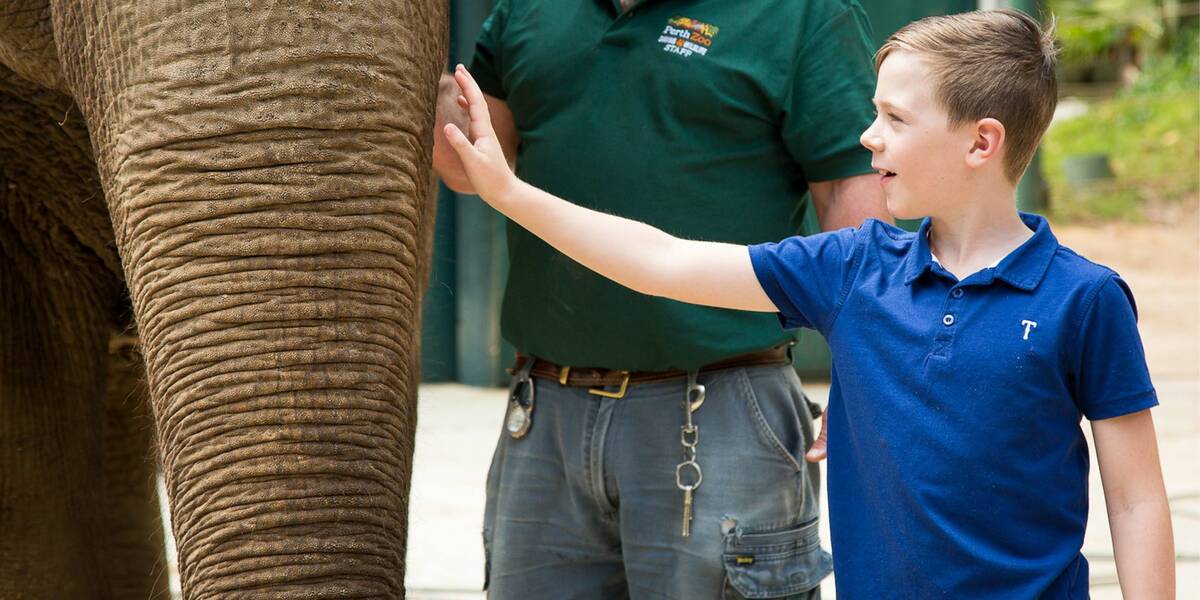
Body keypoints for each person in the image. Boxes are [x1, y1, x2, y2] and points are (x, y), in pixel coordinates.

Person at [441, 8, 1176, 599]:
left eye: (893, 119)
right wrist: (510, 193)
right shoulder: (851, 269)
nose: (866, 136)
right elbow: (662, 262)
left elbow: (1138, 502)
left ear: (981, 143)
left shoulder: (1086, 300)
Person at [432, 1, 890, 597]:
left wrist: (867, 372)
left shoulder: (804, 11)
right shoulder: (528, 6)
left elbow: (852, 209)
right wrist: (415, 79)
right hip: (546, 416)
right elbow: (473, 164)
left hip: (723, 409)